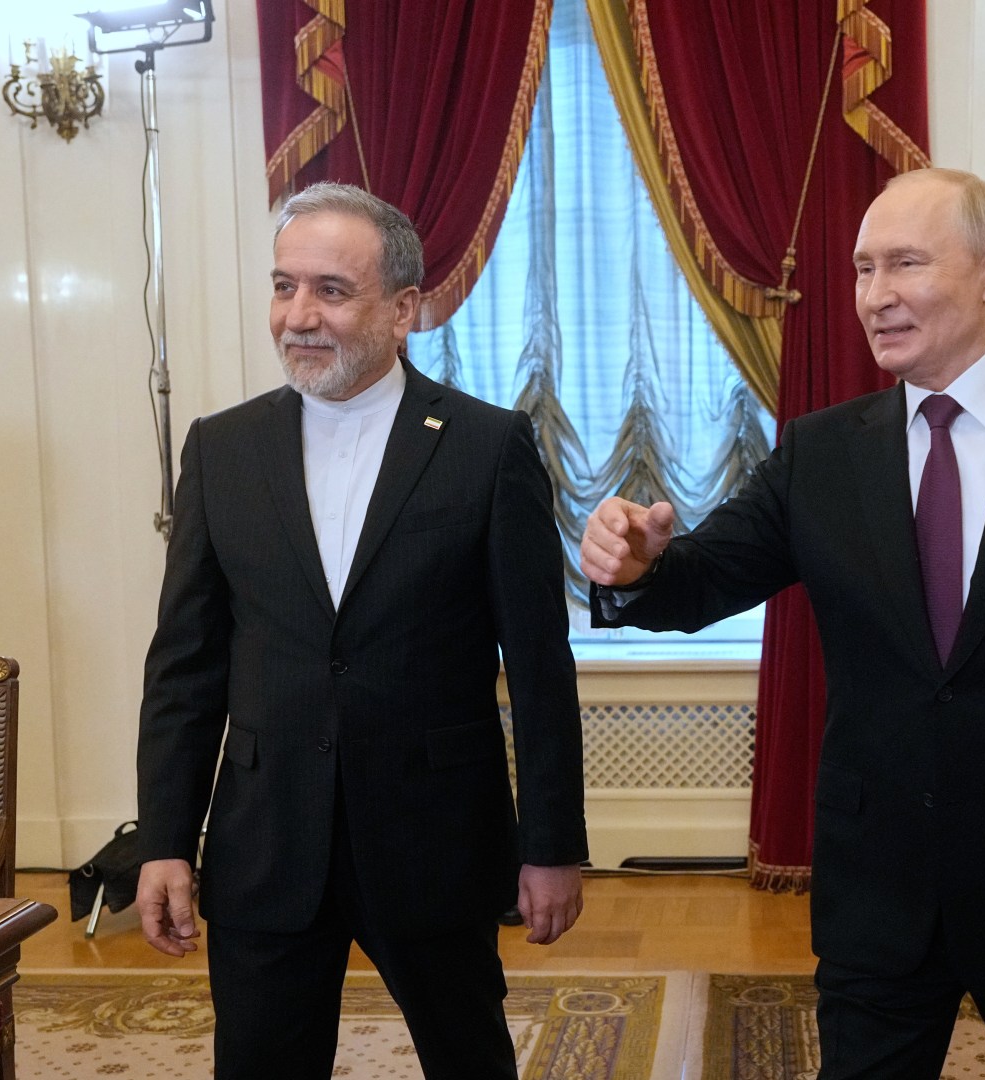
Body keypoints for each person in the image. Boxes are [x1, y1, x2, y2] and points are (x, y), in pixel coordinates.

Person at [582, 168, 985, 1078]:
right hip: (877, 895)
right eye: (862, 269)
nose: (875, 296)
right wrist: (637, 565)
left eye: (906, 264)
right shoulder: (822, 451)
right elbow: (698, 580)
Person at [135, 182, 588, 1079]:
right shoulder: (220, 450)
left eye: (331, 291)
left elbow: (540, 667)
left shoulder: (487, 447)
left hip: (434, 837)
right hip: (267, 839)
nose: (299, 315)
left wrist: (551, 846)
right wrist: (164, 840)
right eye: (284, 286)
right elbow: (185, 668)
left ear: (403, 309)